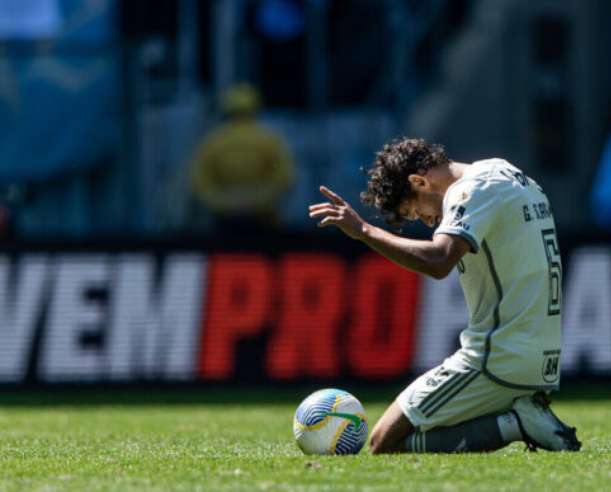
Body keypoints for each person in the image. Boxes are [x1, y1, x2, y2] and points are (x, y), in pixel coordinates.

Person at [308, 137, 581, 454]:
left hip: (497, 358)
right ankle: (519, 415)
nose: (428, 221)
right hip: (541, 358)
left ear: (419, 181)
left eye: (416, 211)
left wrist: (364, 231)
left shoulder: (471, 191)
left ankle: (515, 423)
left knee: (382, 442)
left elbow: (439, 261)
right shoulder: (506, 173)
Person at [190, 83, 294, 235]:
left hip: (224, 222)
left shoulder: (213, 142)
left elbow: (199, 182)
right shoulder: (270, 140)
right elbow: (285, 178)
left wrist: (223, 202)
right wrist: (259, 201)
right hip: (264, 221)